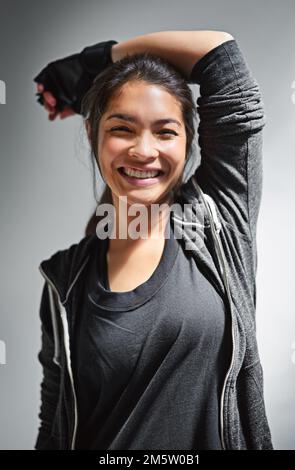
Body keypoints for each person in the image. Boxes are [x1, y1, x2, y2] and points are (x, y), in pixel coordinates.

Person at [33, 30, 273, 450]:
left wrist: (93, 62)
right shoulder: (63, 280)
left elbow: (221, 56)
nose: (144, 151)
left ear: (189, 141)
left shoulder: (220, 225)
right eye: (122, 129)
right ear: (93, 134)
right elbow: (54, 419)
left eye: (165, 132)